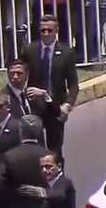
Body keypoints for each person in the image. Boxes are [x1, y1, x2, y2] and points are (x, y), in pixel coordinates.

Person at [21, 14, 79, 161]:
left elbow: (73, 84)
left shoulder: (66, 53)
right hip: (35, 107)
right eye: (43, 31)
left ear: (56, 30)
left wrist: (67, 105)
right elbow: (21, 75)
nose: (46, 34)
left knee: (55, 150)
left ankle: (58, 179)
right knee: (36, 149)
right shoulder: (30, 51)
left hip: (56, 107)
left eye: (49, 30)